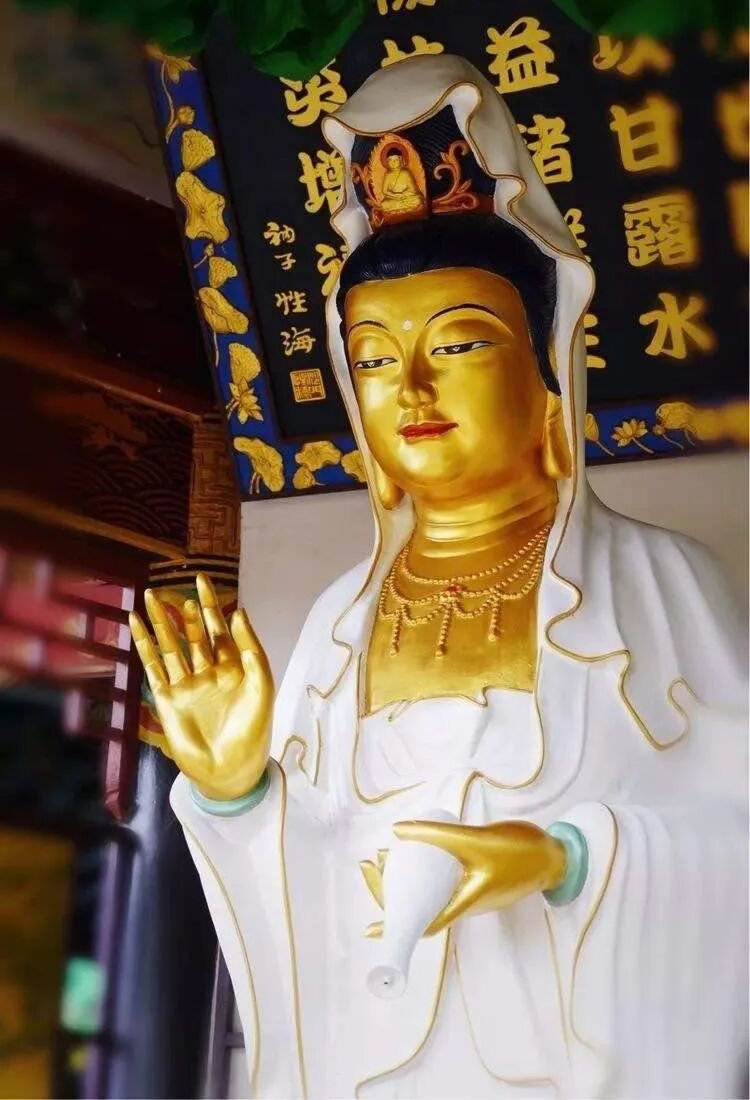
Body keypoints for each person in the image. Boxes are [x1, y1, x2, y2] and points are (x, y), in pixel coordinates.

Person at [131, 55, 747, 1098]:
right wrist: (238, 793)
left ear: (548, 378)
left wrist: (566, 859)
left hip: (567, 1061)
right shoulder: (339, 623)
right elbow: (306, 897)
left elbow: (736, 830)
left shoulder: (657, 584)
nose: (409, 388)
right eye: (373, 357)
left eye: (458, 343)